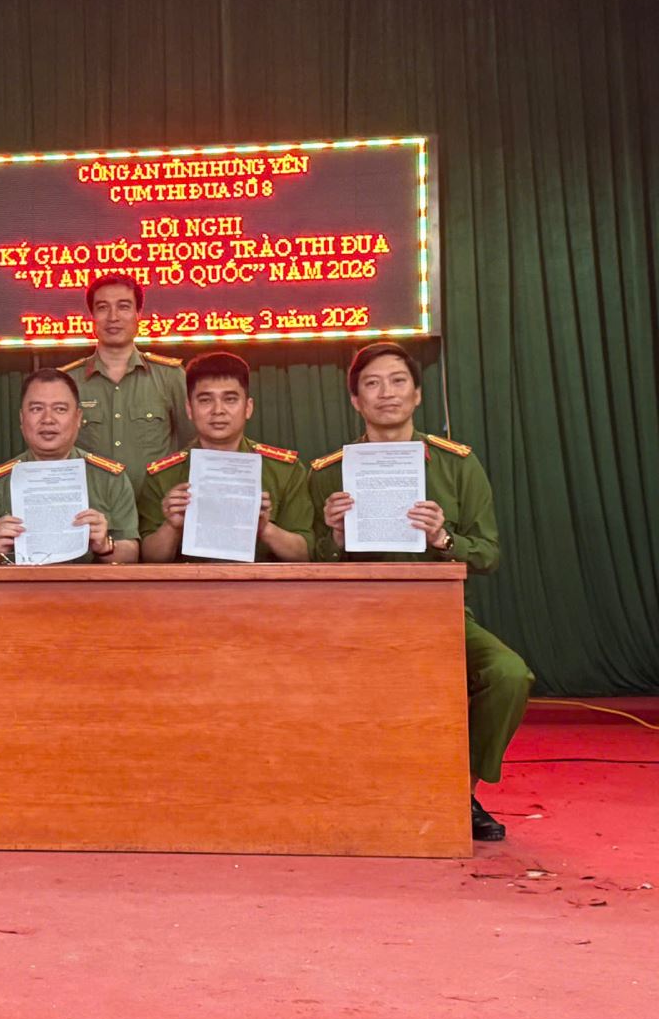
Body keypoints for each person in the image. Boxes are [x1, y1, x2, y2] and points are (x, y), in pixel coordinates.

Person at [308, 341, 533, 842]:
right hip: (354, 618)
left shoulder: (457, 464)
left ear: (417, 394)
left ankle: (460, 790)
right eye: (372, 384)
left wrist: (443, 538)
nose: (386, 393)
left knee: (508, 673)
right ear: (355, 401)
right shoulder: (328, 473)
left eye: (397, 381)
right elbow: (309, 565)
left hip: (438, 614)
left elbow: (488, 554)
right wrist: (336, 538)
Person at [137, 351, 312, 562]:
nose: (218, 410)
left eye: (230, 399)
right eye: (205, 400)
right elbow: (147, 560)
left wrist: (264, 528)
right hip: (191, 583)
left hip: (262, 583)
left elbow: (305, 554)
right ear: (189, 409)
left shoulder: (284, 470)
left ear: (248, 408)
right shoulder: (163, 476)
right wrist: (172, 526)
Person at [0, 368, 139, 565]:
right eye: (36, 409)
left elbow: (132, 554)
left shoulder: (110, 478)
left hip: (88, 583)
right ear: (22, 419)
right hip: (21, 583)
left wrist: (104, 546)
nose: (48, 419)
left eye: (60, 409)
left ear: (78, 418)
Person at [60, 274, 187, 488]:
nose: (113, 317)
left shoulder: (171, 377)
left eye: (124, 307)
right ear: (92, 316)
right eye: (103, 308)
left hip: (157, 506)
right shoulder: (67, 382)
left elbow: (192, 446)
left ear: (138, 314)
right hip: (92, 506)